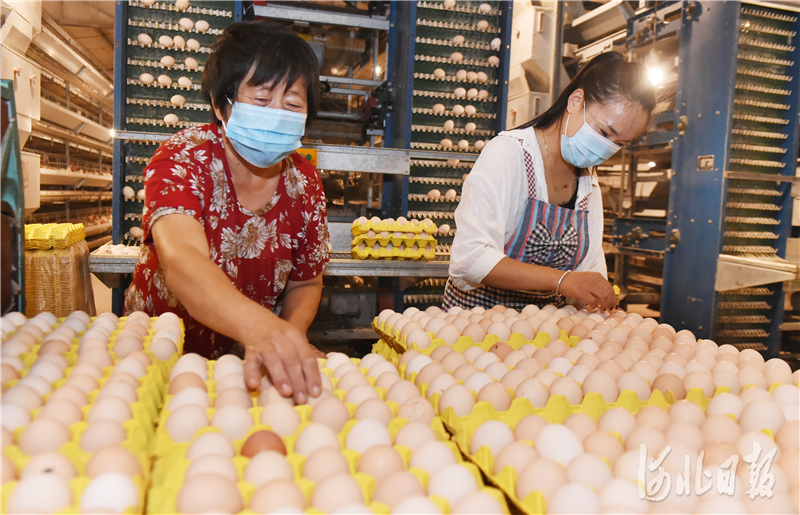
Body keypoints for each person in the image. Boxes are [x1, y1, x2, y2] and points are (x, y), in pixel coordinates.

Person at [124, 22, 330, 404]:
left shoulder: (304, 183)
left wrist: (286, 335)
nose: (276, 114)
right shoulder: (184, 158)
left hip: (250, 369)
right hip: (160, 361)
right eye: (262, 99)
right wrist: (263, 329)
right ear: (222, 105)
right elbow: (182, 258)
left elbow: (306, 283)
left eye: (292, 104)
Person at [446, 52, 656, 312]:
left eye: (620, 144)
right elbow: (471, 258)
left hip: (544, 329)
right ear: (576, 101)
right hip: (479, 319)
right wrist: (562, 280)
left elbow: (590, 266)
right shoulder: (509, 154)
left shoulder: (587, 181)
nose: (606, 149)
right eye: (604, 133)